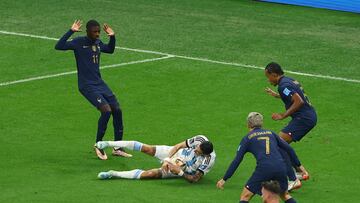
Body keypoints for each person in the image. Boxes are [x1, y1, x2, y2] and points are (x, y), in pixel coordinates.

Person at [55, 20, 131, 159]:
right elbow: (59, 46)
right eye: (94, 32)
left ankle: (117, 147)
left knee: (117, 110)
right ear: (88, 31)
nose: (97, 34)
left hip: (99, 83)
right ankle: (98, 145)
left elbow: (110, 50)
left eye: (98, 32)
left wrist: (112, 37)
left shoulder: (98, 43)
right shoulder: (78, 42)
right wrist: (70, 31)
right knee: (106, 111)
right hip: (86, 85)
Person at [216, 112, 303, 203]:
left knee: (245, 196)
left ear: (248, 124)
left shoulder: (247, 138)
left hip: (264, 168)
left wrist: (225, 178)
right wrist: (299, 166)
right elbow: (289, 149)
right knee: (284, 195)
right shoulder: (271, 133)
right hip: (280, 167)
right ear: (261, 124)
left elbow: (237, 160)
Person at [264, 62, 316, 186]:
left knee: (278, 143)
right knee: (280, 143)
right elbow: (292, 95)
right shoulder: (288, 80)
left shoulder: (283, 85)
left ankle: (292, 179)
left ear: (274, 74)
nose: (268, 80)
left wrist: (283, 115)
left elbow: (299, 101)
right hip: (307, 117)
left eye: (268, 77)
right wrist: (277, 95)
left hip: (304, 119)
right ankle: (300, 172)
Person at [96, 135, 216, 182]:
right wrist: (168, 159)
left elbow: (195, 179)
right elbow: (179, 146)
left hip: (181, 169)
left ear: (205, 154)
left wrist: (179, 172)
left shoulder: (208, 160)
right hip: (175, 154)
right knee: (147, 148)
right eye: (196, 148)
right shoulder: (200, 140)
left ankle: (113, 173)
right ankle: (108, 143)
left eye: (198, 152)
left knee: (149, 174)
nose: (195, 150)